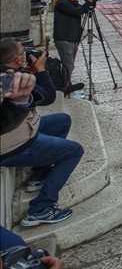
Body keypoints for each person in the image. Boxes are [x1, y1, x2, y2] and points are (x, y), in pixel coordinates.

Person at [0, 38, 84, 227]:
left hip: (26, 128)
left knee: (62, 120)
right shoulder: (8, 79)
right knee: (74, 151)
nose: (29, 52)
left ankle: (39, 175)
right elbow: (48, 96)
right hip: (14, 143)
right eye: (24, 51)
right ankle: (40, 209)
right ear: (17, 61)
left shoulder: (11, 73)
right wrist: (41, 70)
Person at [51, 0, 92, 94]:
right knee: (68, 64)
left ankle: (67, 84)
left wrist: (91, 2)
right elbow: (76, 12)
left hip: (72, 37)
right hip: (65, 38)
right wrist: (87, 3)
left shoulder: (71, 3)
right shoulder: (62, 4)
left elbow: (84, 9)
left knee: (69, 63)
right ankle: (65, 87)